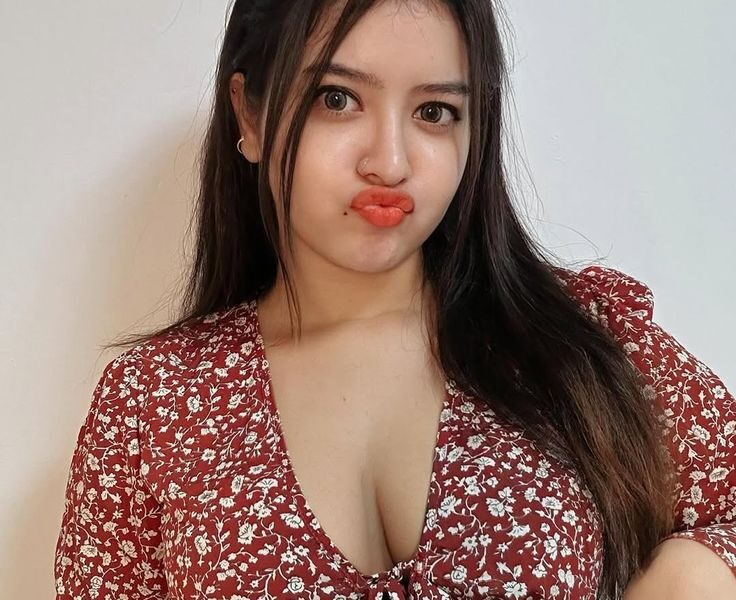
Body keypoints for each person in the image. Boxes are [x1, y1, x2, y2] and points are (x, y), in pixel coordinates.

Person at [53, 1, 736, 598]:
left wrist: (687, 578)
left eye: (434, 112)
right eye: (337, 99)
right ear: (250, 114)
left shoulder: (576, 340)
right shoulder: (155, 403)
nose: (390, 161)